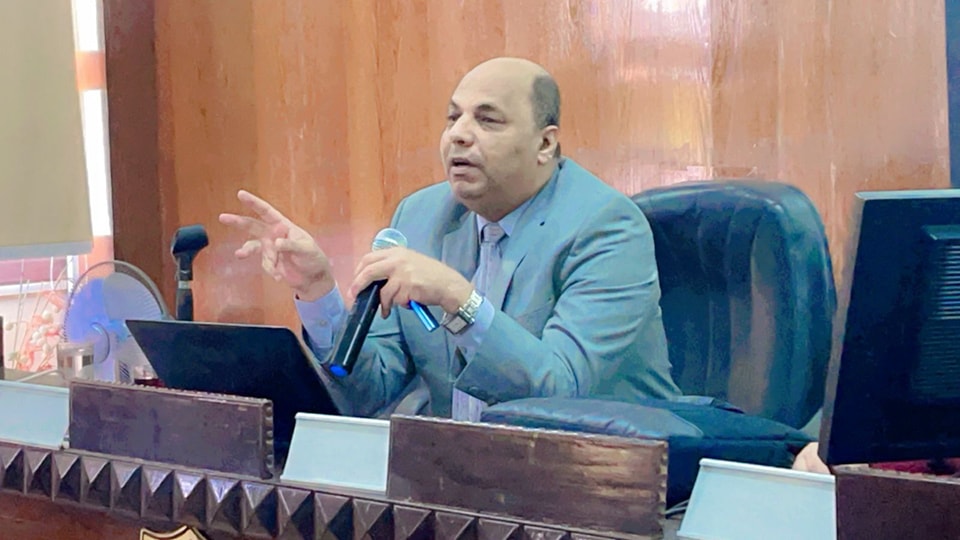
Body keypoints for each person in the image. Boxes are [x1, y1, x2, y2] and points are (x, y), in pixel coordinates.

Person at [220, 57, 680, 419]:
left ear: (545, 144)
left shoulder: (607, 227)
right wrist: (318, 291)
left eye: (488, 120)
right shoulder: (420, 217)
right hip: (462, 481)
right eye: (453, 118)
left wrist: (459, 299)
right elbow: (369, 392)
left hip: (608, 483)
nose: (459, 135)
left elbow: (561, 391)